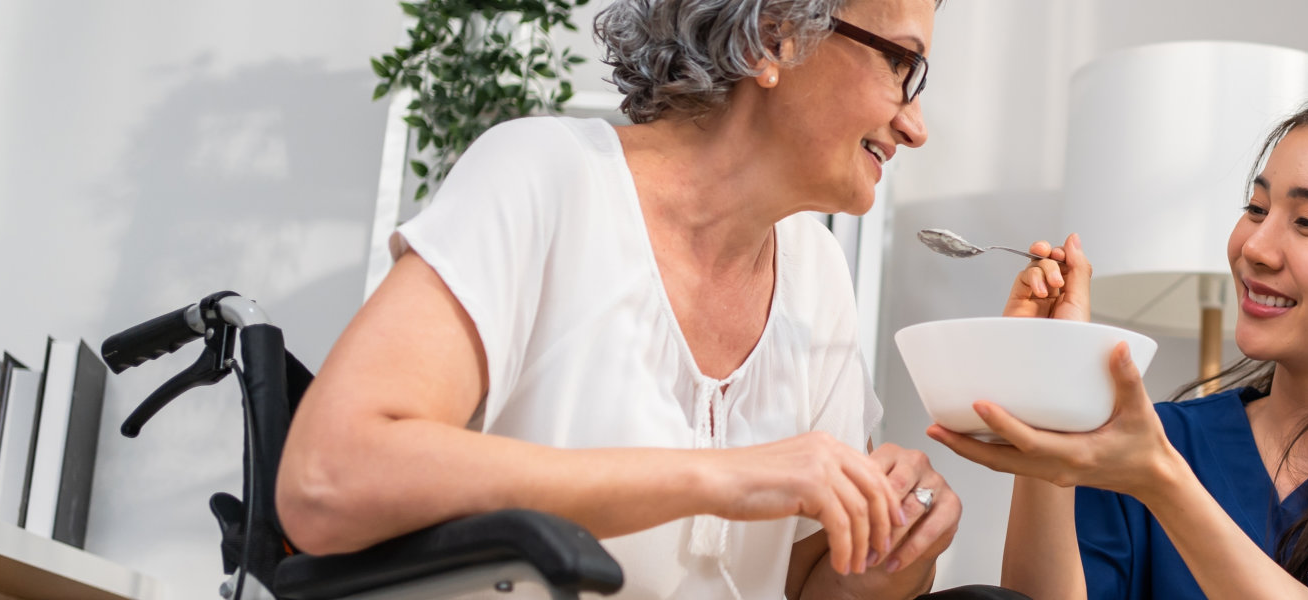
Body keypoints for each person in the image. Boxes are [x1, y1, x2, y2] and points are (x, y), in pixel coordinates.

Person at [275, 0, 962, 598]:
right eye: (901, 64)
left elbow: (808, 584)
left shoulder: (817, 276)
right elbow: (328, 480)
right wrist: (719, 477)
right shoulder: (545, 177)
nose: (917, 126)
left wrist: (893, 549)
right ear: (772, 38)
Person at [931, 88, 1308, 599]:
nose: (1254, 246)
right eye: (1256, 208)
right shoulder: (1160, 440)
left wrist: (1161, 483)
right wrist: (1051, 393)